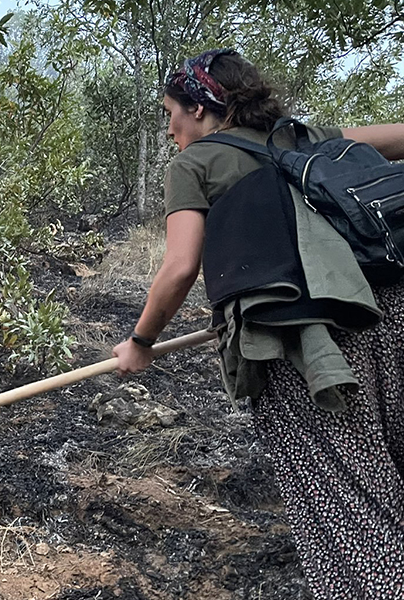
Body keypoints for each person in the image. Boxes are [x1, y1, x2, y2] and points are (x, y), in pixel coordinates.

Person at [111, 48, 404, 599]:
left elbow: (178, 268)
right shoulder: (306, 135)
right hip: (389, 319)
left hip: (307, 344)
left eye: (170, 110)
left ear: (198, 109)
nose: (169, 125)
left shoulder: (194, 164)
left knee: (349, 502)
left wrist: (140, 341)